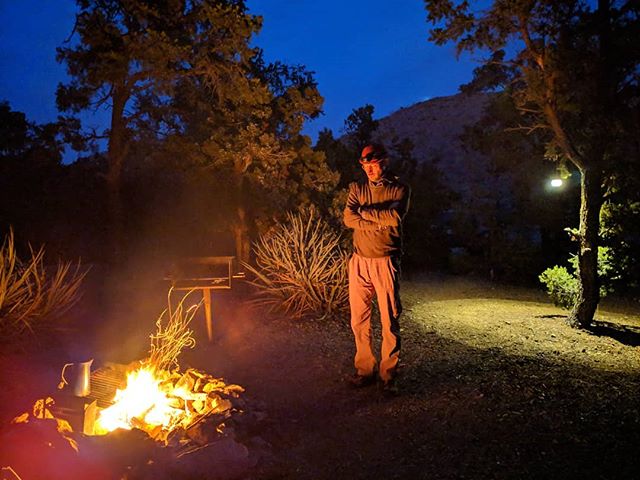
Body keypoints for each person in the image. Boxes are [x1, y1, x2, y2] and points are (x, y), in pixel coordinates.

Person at [343, 143, 411, 393]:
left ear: (384, 162)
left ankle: (388, 375)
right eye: (365, 165)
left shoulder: (400, 188)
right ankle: (364, 369)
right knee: (358, 320)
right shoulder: (357, 188)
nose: (370, 169)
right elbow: (349, 219)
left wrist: (364, 213)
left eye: (374, 164)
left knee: (389, 318)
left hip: (385, 260)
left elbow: (395, 218)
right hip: (359, 260)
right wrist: (377, 221)